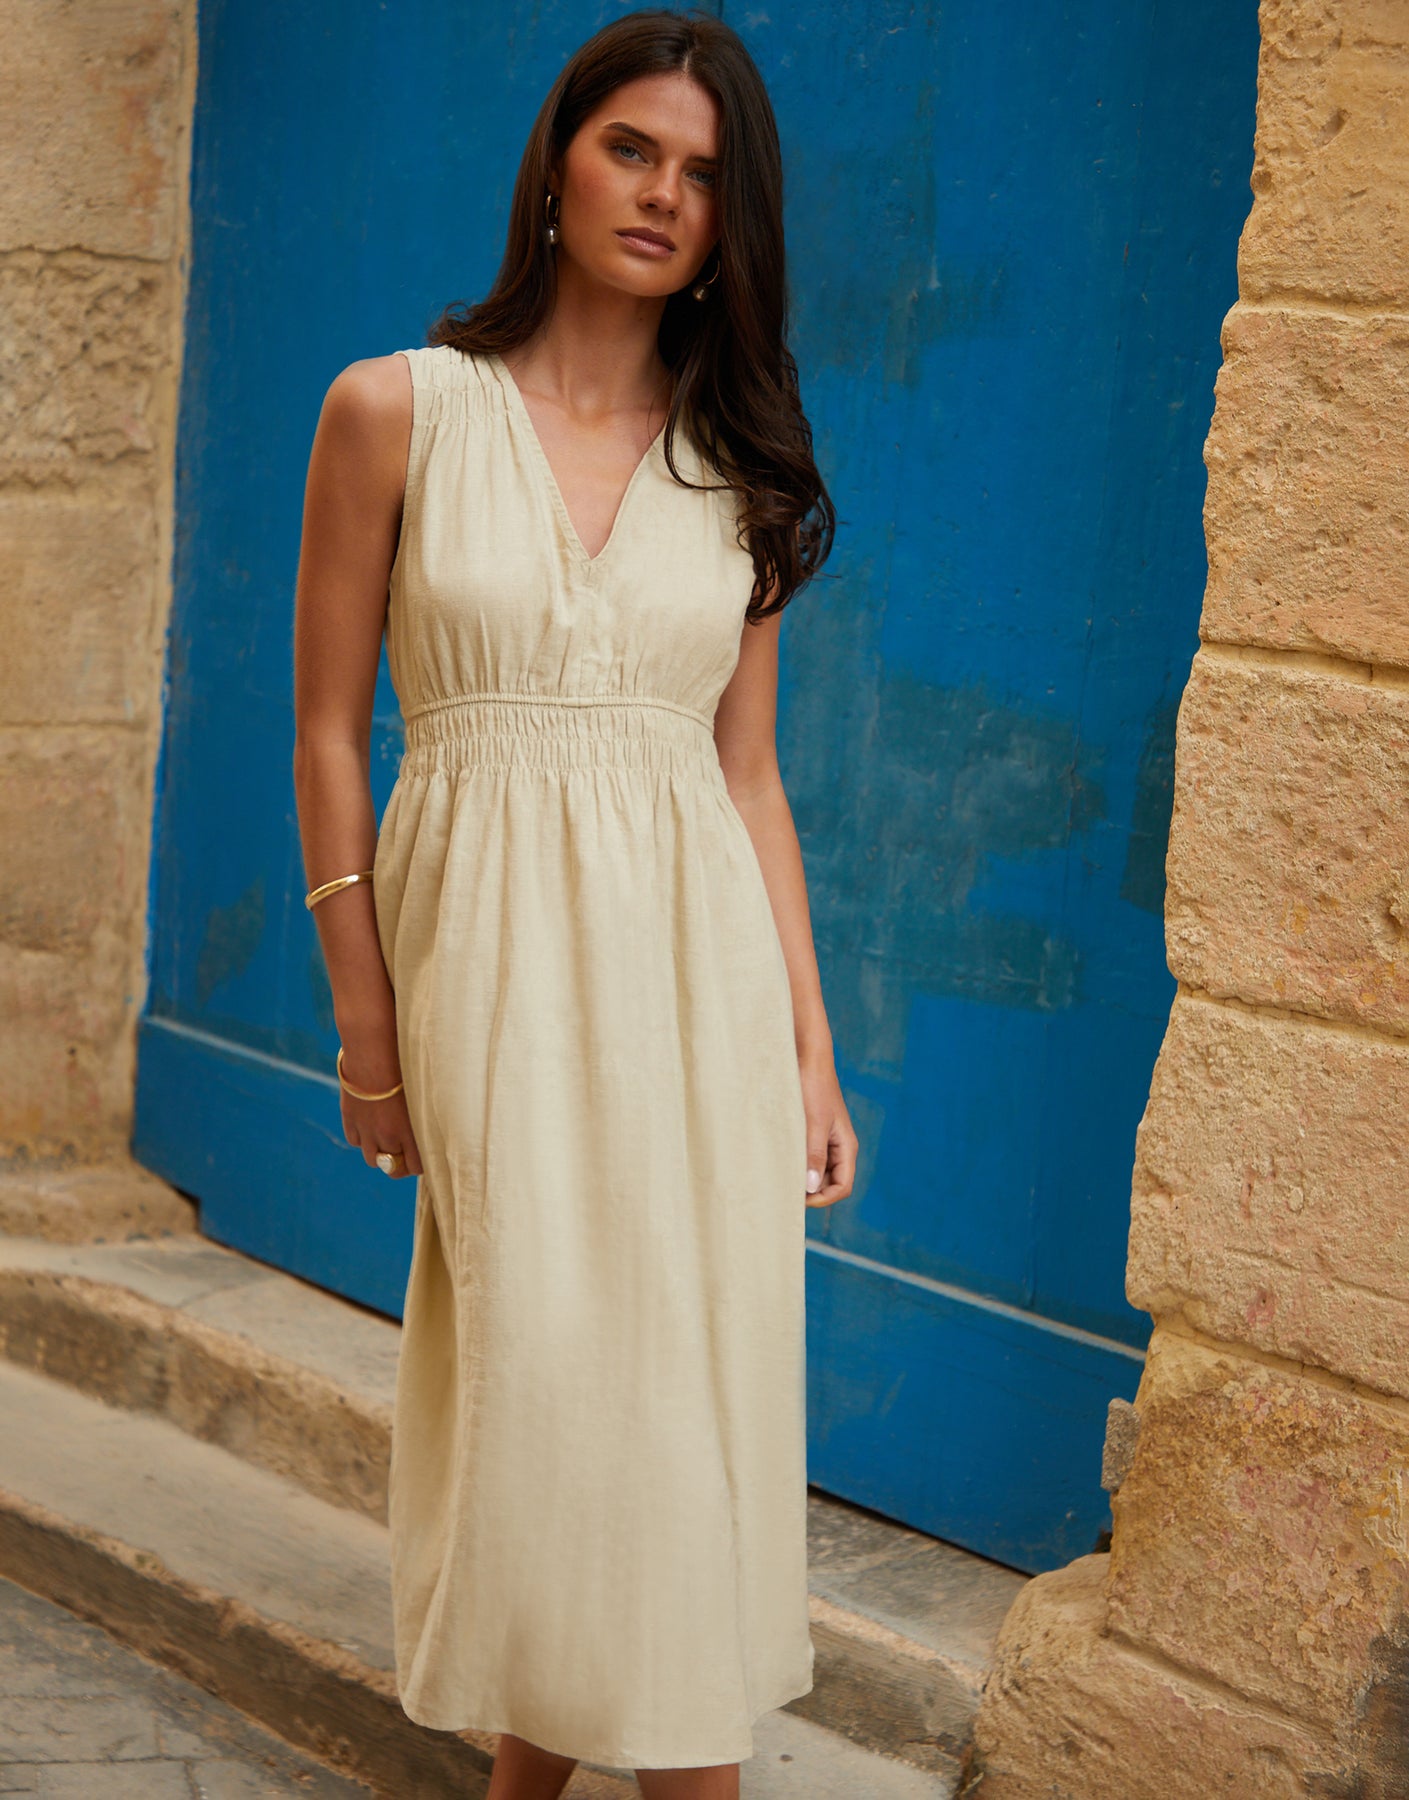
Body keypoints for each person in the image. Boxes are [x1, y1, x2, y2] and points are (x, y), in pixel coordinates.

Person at [292, 9, 858, 1796]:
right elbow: (326, 731)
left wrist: (810, 1047)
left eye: (702, 174)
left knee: (666, 1413)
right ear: (557, 162)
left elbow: (747, 778)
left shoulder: (738, 462)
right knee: (548, 1403)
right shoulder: (395, 410)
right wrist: (366, 1024)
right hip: (488, 981)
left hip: (699, 996)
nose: (663, 193)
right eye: (632, 148)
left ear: (731, 221)